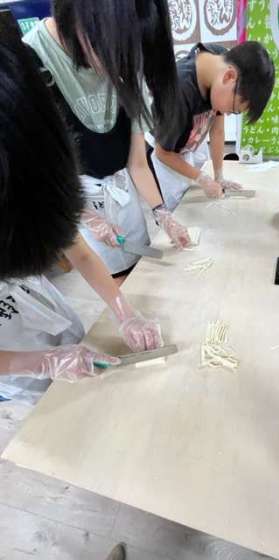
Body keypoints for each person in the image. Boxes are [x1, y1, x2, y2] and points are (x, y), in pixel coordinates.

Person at [0, 15, 161, 404]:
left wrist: (124, 311)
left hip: (36, 305)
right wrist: (36, 363)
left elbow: (81, 252)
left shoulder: (29, 166)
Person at [23, 0, 191, 280]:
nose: (125, 69)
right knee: (112, 276)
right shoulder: (29, 64)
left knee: (141, 273)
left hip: (123, 191)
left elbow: (138, 164)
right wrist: (87, 216)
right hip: (77, 201)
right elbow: (36, 179)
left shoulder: (128, 59)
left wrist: (162, 212)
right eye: (120, 56)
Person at [146, 41, 275, 211]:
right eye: (234, 110)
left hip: (187, 141)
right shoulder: (178, 93)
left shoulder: (221, 61)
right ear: (229, 77)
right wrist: (202, 178)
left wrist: (218, 175)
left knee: (196, 195)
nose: (228, 114)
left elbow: (217, 129)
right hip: (164, 154)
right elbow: (163, 153)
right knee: (179, 210)